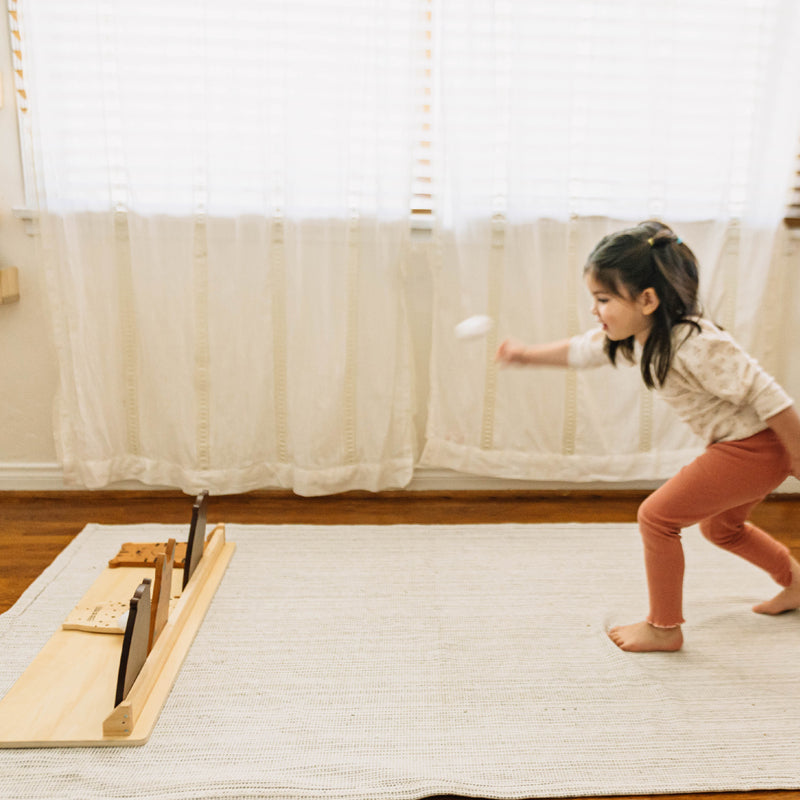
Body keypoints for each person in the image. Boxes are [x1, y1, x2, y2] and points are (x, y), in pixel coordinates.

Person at [495, 220, 800, 652]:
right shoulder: (639, 335)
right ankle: (795, 583)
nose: (594, 311)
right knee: (722, 529)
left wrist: (797, 452)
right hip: (744, 447)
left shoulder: (693, 341)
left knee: (657, 517)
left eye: (603, 299)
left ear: (648, 299)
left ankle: (664, 627)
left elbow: (766, 392)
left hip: (754, 446)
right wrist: (526, 355)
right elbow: (581, 350)